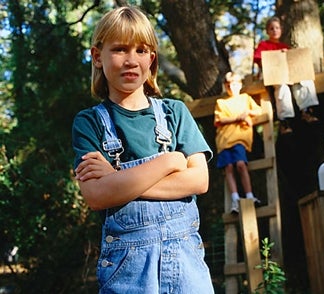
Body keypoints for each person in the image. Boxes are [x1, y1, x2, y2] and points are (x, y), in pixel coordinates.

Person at [71, 6, 214, 293]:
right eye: (120, 49)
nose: (131, 60)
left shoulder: (176, 113)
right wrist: (170, 161)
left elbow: (198, 180)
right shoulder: (89, 123)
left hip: (188, 270)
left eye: (141, 50)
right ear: (98, 57)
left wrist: (117, 177)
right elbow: (97, 195)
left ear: (152, 58)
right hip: (128, 275)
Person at [254, 16, 318, 133]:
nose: (275, 31)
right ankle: (285, 121)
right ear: (267, 31)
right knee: (282, 88)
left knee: (304, 81)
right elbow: (259, 60)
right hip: (274, 77)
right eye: (271, 28)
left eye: (277, 28)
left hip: (288, 75)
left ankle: (307, 110)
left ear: (281, 30)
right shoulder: (264, 45)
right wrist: (276, 55)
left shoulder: (284, 46)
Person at [214, 72, 262, 214]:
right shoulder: (221, 103)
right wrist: (238, 117)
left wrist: (246, 113)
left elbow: (258, 110)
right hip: (224, 140)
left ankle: (249, 195)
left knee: (241, 164)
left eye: (234, 84)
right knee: (228, 167)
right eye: (228, 85)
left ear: (240, 85)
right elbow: (219, 120)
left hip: (240, 138)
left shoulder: (245, 99)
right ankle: (235, 199)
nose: (231, 87)